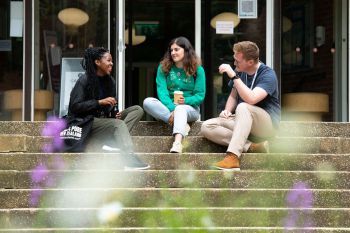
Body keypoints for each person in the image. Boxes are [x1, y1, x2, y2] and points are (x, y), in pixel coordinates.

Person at [201, 41, 280, 170]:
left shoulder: (267, 75)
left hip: (266, 125)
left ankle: (232, 157)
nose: (234, 63)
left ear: (250, 62)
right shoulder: (242, 72)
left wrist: (233, 75)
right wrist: (227, 110)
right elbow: (233, 95)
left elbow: (252, 98)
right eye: (234, 60)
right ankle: (253, 147)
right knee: (206, 126)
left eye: (238, 61)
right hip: (244, 122)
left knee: (243, 106)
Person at [67, 47, 149, 170]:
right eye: (108, 60)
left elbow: (109, 104)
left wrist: (112, 113)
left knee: (137, 110)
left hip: (103, 121)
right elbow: (75, 106)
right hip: (85, 122)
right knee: (118, 124)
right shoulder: (84, 80)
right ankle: (128, 159)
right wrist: (99, 102)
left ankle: (113, 142)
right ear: (97, 62)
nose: (112, 63)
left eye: (111, 61)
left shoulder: (110, 81)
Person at [143, 37, 206, 153]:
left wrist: (185, 101)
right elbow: (162, 92)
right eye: (171, 50)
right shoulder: (163, 68)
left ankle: (177, 143)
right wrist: (173, 108)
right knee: (147, 102)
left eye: (176, 49)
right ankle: (182, 123)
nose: (173, 53)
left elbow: (199, 96)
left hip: (190, 108)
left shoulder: (198, 69)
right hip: (168, 107)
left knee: (181, 109)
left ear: (186, 50)